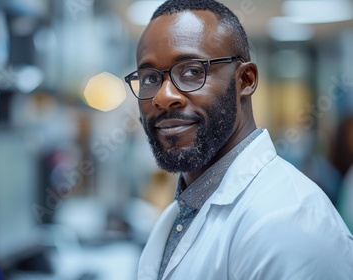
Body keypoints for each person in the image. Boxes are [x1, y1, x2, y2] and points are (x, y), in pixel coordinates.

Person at [123, 0, 353, 279]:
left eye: (192, 71)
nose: (163, 97)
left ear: (245, 80)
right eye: (149, 78)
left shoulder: (288, 220)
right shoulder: (182, 212)